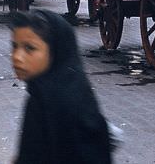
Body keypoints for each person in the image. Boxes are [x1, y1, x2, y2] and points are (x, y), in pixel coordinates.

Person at [10, 9, 112, 163]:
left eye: (30, 48)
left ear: (55, 52)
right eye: (14, 46)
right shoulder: (42, 92)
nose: (17, 57)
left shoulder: (63, 103)